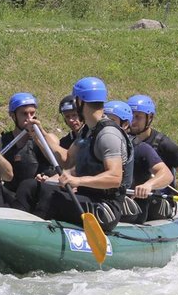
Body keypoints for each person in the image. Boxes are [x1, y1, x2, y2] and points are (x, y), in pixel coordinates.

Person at [13, 77, 130, 232]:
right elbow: (67, 160)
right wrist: (38, 135)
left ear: (80, 101)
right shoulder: (87, 130)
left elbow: (115, 178)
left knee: (51, 197)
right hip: (85, 198)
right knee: (30, 186)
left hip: (105, 207)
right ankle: (14, 226)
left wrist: (78, 180)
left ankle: (32, 236)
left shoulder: (108, 135)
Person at [0, 92, 62, 207]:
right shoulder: (1, 142)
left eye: (32, 113)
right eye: (24, 114)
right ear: (13, 116)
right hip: (13, 195)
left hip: (38, 196)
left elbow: (60, 161)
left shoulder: (49, 138)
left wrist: (39, 134)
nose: (29, 118)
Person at [127, 94, 178, 192]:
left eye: (138, 117)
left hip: (159, 202)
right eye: (131, 116)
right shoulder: (122, 139)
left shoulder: (165, 144)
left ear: (150, 118)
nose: (133, 122)